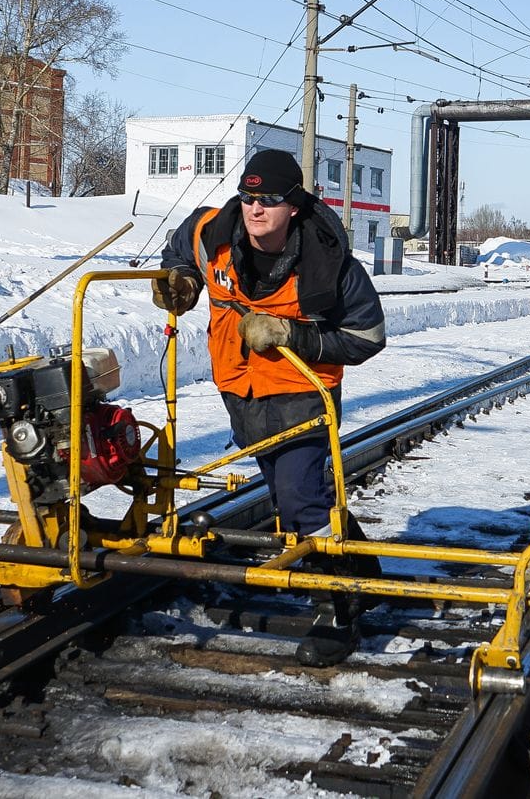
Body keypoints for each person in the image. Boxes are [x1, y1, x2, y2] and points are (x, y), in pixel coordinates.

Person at [152, 147, 386, 665]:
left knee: (299, 499)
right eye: (249, 197)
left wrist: (290, 334)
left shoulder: (328, 262)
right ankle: (362, 570)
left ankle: (337, 609)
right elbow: (179, 248)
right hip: (242, 391)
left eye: (270, 201)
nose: (256, 210)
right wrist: (184, 281)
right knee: (292, 495)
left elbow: (367, 336)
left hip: (305, 394)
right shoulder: (211, 233)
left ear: (295, 206)